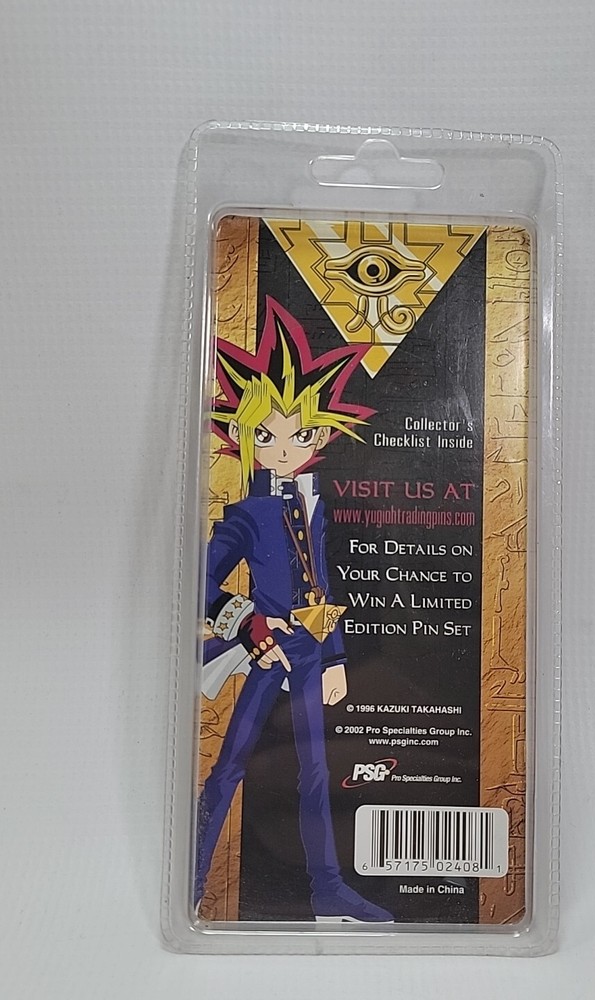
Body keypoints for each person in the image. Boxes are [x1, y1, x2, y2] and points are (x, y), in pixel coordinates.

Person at [195, 296, 393, 923]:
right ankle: (191, 882)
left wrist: (334, 657)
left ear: (322, 434)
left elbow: (322, 581)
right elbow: (196, 580)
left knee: (315, 771)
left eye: (300, 433)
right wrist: (249, 624)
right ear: (245, 435)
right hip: (267, 651)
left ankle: (327, 890)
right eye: (267, 434)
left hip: (311, 651)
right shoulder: (250, 512)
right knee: (229, 768)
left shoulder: (317, 502)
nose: (283, 447)